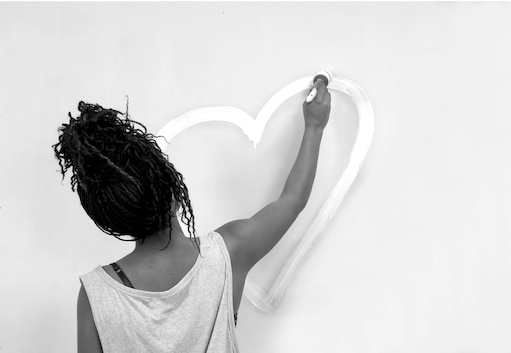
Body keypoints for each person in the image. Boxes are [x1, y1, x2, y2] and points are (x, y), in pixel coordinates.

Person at [53, 79, 331, 353]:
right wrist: (315, 127)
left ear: (115, 218)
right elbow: (293, 200)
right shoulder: (228, 253)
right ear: (174, 192)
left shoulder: (96, 295)